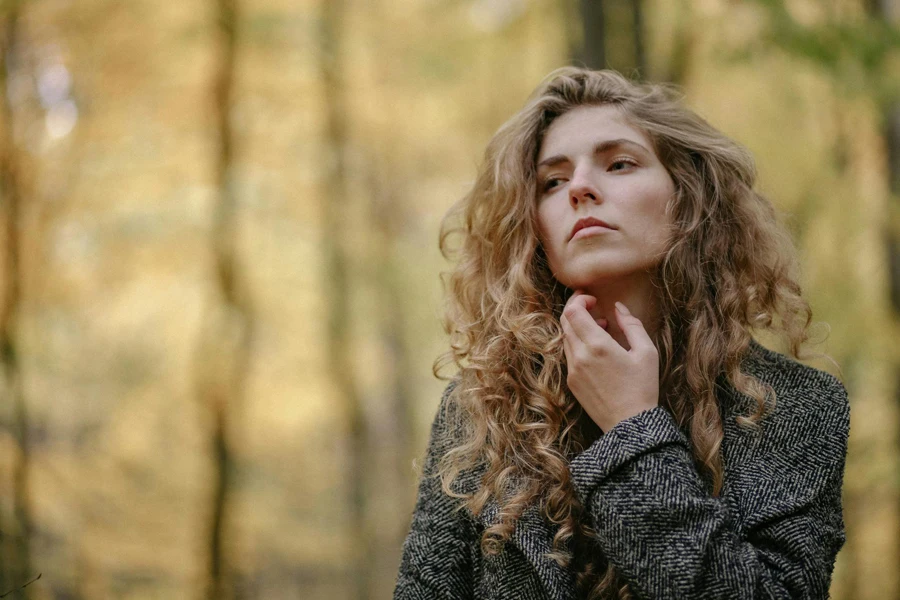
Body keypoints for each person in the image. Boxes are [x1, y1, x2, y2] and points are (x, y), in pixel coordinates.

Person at [393, 67, 849, 600]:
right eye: (553, 181)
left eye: (619, 163)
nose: (581, 187)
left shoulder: (798, 407)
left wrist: (633, 430)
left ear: (689, 198)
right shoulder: (480, 411)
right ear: (534, 231)